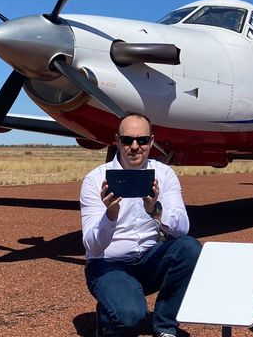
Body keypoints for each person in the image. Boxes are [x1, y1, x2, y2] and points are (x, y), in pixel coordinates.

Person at [80, 113, 201, 337]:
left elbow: (183, 228)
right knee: (130, 317)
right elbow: (92, 247)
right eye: (127, 140)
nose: (135, 146)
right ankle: (110, 313)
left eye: (142, 140)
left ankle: (165, 326)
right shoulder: (95, 180)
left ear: (151, 141)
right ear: (117, 140)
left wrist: (155, 210)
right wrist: (111, 215)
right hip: (108, 265)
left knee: (190, 248)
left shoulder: (164, 175)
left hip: (148, 259)